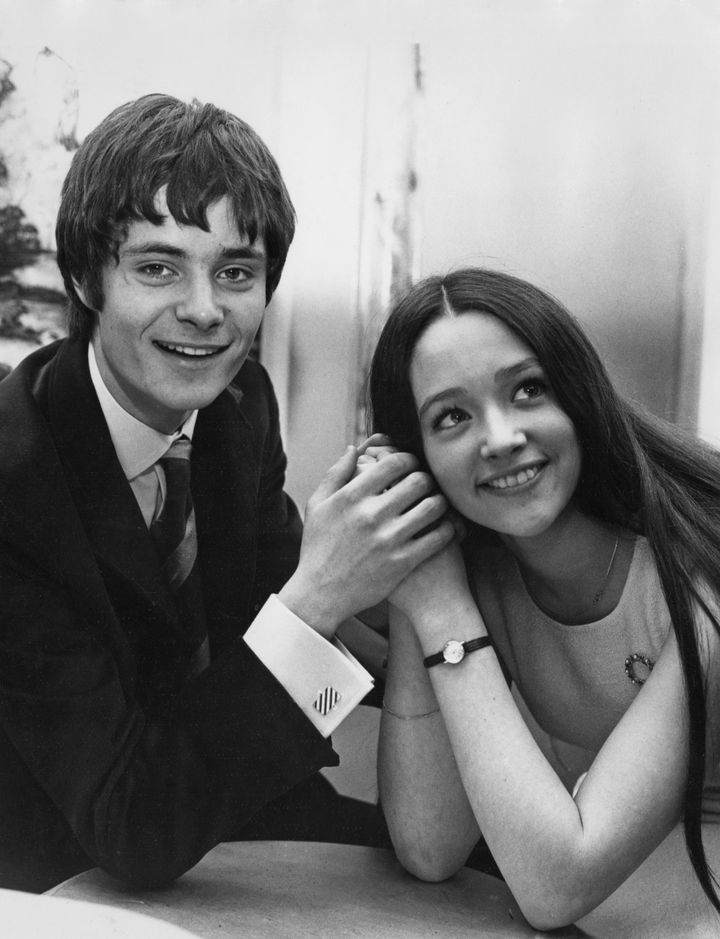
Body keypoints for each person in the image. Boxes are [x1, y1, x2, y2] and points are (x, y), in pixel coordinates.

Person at [0, 93, 454, 893]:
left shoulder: (240, 402)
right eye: (156, 266)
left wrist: (450, 623)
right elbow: (129, 822)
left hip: (228, 804)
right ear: (84, 278)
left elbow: (276, 599)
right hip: (62, 858)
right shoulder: (13, 483)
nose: (205, 311)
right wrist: (321, 595)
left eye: (235, 272)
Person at [367, 267, 720, 930]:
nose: (499, 438)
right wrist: (418, 576)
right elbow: (428, 844)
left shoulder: (700, 578)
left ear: (578, 393)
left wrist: (444, 614)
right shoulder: (471, 577)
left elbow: (557, 884)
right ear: (418, 457)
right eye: (451, 417)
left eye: (528, 389)